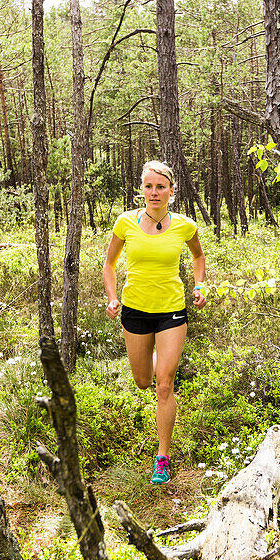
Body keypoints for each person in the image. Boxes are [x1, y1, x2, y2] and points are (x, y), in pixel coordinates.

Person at [103, 161, 206, 485]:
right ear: (142, 190)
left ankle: (163, 457)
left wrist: (200, 285)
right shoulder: (125, 223)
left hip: (172, 311)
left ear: (171, 191)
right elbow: (109, 264)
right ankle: (159, 359)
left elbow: (198, 257)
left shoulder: (185, 226)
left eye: (160, 186)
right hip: (134, 309)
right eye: (148, 186)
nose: (154, 192)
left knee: (164, 385)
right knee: (143, 381)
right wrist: (111, 296)